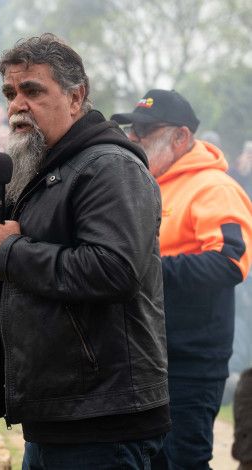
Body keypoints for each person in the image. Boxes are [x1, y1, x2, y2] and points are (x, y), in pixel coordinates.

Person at [0, 34, 169, 468]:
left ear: (76, 97)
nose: (17, 104)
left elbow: (115, 270)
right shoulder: (39, 171)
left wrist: (11, 251)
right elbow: (37, 291)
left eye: (32, 90)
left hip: (103, 423)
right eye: (10, 93)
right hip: (55, 417)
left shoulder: (109, 167)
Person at [112, 89, 252, 469]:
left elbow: (229, 262)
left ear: (181, 137)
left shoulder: (215, 188)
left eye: (144, 129)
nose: (133, 137)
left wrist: (144, 268)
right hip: (143, 354)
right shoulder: (143, 183)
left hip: (191, 360)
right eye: (131, 129)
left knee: (183, 461)